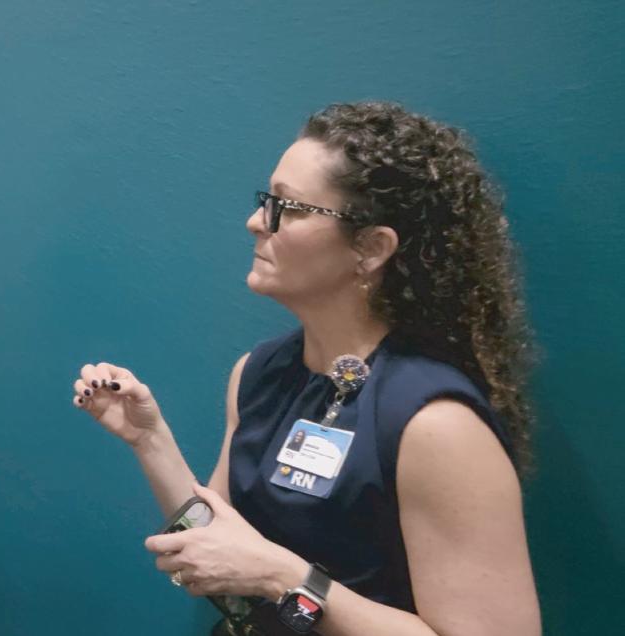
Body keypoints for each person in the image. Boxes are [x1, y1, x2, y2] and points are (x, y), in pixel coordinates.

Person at [72, 102, 540, 635]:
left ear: (371, 248)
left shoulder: (436, 425)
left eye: (288, 208)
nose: (256, 222)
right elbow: (221, 559)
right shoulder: (259, 374)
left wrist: (283, 577)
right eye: (266, 201)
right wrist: (150, 440)